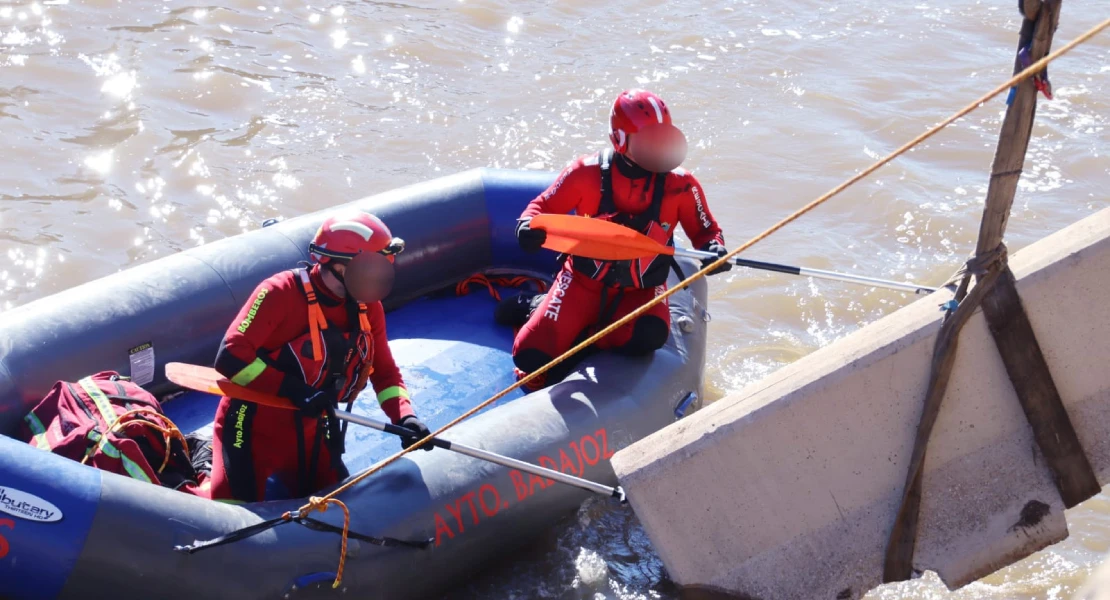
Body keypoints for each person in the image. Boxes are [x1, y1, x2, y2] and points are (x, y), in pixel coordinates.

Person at [508, 89, 732, 391]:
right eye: (648, 139)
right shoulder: (584, 173)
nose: (658, 146)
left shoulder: (682, 185)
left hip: (640, 289)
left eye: (662, 137)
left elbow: (706, 233)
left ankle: (592, 333)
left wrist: (714, 249)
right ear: (620, 139)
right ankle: (538, 305)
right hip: (582, 281)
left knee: (648, 337)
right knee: (531, 356)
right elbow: (541, 207)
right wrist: (526, 225)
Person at [207, 211, 433, 503]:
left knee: (343, 508)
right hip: (248, 430)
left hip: (312, 430)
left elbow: (384, 371)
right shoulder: (280, 292)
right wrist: (292, 390)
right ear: (338, 266)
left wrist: (405, 415)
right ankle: (201, 468)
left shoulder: (368, 306)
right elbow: (230, 356)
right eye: (371, 268)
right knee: (231, 514)